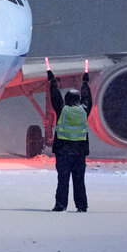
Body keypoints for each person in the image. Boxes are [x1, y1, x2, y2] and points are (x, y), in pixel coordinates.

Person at [47, 70, 92, 212]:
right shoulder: (84, 110)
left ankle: (60, 205)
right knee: (79, 182)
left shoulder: (63, 110)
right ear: (78, 100)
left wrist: (53, 82)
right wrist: (85, 84)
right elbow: (88, 99)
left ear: (66, 99)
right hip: (79, 152)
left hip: (63, 151)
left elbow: (55, 97)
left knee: (63, 181)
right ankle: (82, 206)